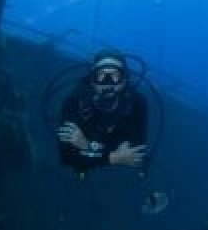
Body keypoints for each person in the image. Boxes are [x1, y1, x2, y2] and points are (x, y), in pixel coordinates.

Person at [56, 50, 148, 180]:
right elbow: (66, 157)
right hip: (93, 163)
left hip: (114, 175)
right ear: (92, 81)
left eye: (115, 76)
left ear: (124, 81)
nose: (108, 82)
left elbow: (135, 156)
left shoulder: (137, 104)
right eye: (101, 76)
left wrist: (87, 147)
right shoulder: (75, 102)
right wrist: (113, 157)